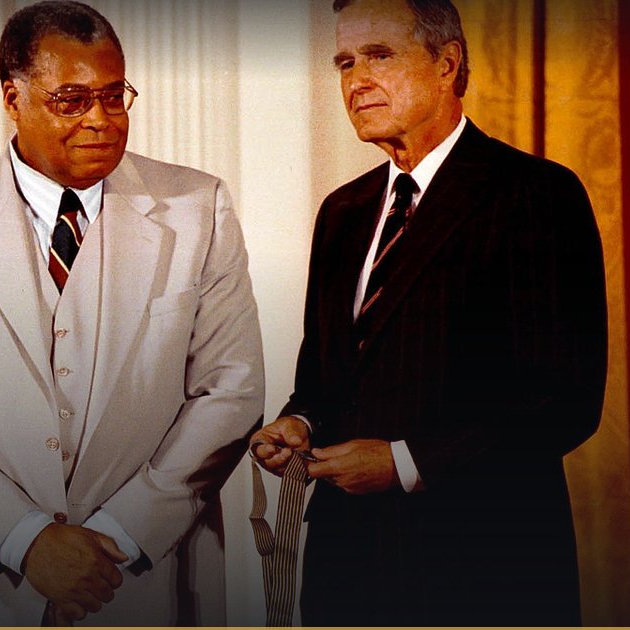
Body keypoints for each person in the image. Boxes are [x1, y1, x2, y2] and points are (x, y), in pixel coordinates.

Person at [0, 1, 265, 625]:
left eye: (114, 96)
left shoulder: (198, 207)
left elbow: (230, 392)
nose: (102, 121)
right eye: (72, 100)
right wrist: (26, 541)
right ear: (12, 98)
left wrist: (118, 536)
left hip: (146, 574)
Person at [250, 0, 607, 625]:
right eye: (344, 62)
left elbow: (565, 400)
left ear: (448, 63)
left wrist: (404, 463)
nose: (356, 80)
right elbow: (326, 377)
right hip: (348, 568)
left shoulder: (537, 195)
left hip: (485, 566)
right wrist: (300, 422)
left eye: (380, 55)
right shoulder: (343, 212)